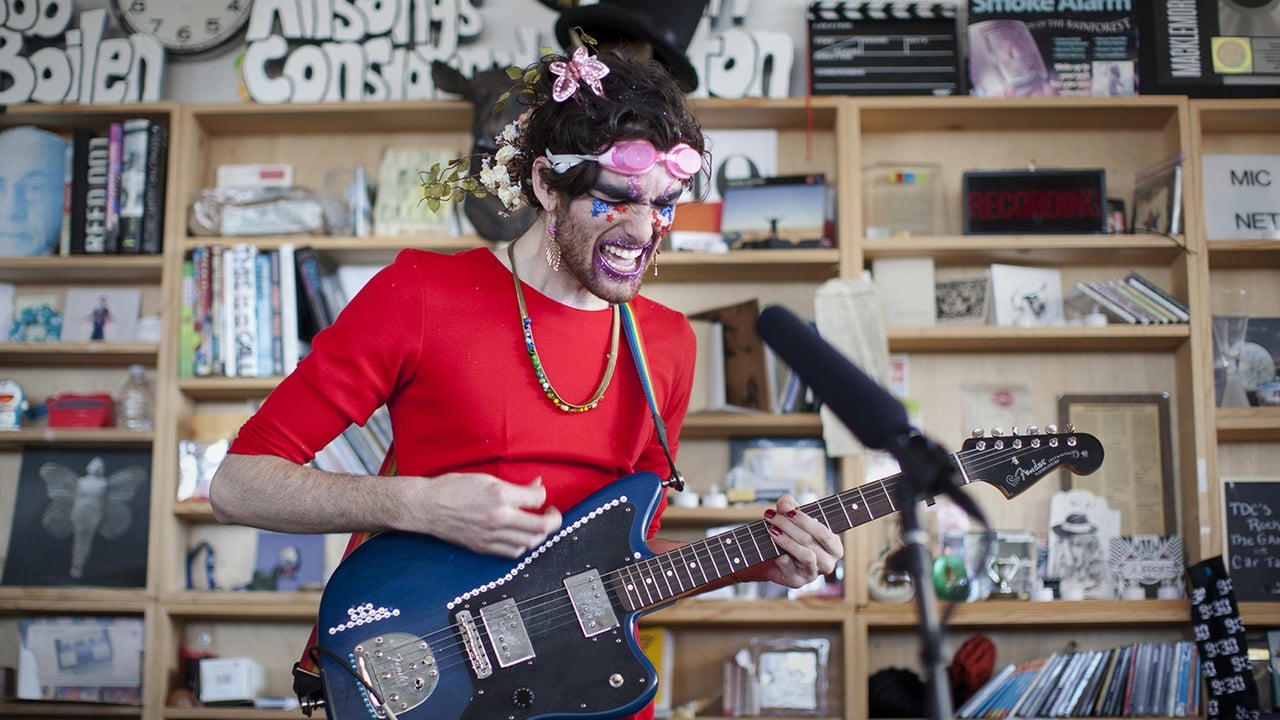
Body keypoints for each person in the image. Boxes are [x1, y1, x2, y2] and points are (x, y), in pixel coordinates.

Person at [210, 47, 842, 720]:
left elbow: (616, 568)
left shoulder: (669, 344)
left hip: (582, 697)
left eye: (665, 204)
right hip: (426, 685)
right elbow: (237, 484)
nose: (644, 230)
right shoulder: (422, 293)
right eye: (616, 198)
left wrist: (756, 563)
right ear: (547, 184)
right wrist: (417, 504)